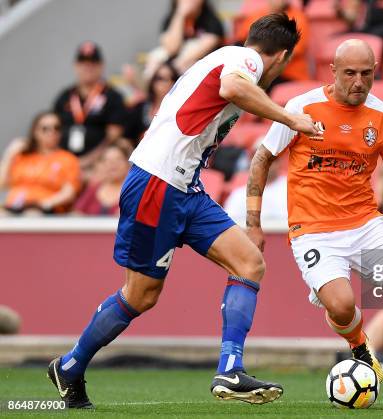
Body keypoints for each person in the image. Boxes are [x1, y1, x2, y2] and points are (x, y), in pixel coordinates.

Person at [47, 13, 318, 409]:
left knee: (249, 262)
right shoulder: (248, 62)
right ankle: (70, 366)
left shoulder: (225, 58)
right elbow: (232, 86)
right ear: (280, 57)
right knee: (140, 296)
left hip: (183, 186)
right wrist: (291, 117)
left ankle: (230, 368)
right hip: (158, 183)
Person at [247, 39, 383, 410]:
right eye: (350, 73)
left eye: (366, 74)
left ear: (375, 72)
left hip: (365, 223)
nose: (358, 81)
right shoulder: (302, 107)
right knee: (341, 305)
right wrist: (253, 224)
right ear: (333, 71)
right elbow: (261, 159)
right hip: (313, 228)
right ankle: (360, 348)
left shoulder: (382, 116)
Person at [53, 42, 126, 177]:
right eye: (83, 63)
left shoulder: (113, 96)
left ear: (101, 65)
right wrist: (65, 161)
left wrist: (87, 161)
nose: (88, 67)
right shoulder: (64, 96)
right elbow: (53, 131)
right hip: (63, 164)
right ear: (76, 65)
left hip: (97, 165)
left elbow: (113, 137)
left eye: (93, 62)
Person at [0, 111, 80, 215]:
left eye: (57, 128)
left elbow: (69, 193)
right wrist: (9, 155)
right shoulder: (22, 156)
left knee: (32, 215)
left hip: (45, 208)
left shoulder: (68, 159)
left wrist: (45, 204)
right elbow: (2, 184)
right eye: (45, 128)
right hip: (14, 204)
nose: (52, 132)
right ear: (35, 132)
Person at [235, 0, 311, 85]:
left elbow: (291, 53)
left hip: (288, 74)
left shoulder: (297, 19)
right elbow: (240, 41)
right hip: (256, 69)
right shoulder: (256, 15)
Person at [145, 0, 224, 77]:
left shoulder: (212, 20)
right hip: (175, 61)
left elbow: (200, 51)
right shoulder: (170, 20)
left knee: (188, 58)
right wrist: (180, 14)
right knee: (156, 56)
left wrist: (172, 68)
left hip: (197, 64)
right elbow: (171, 48)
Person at [124, 62, 180, 143]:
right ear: (153, 81)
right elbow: (127, 137)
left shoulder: (179, 110)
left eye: (172, 78)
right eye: (160, 78)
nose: (167, 82)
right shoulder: (141, 107)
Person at [73, 142, 132, 216]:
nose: (113, 164)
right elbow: (76, 214)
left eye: (118, 159)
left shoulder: (133, 192)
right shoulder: (94, 188)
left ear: (127, 164)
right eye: (108, 160)